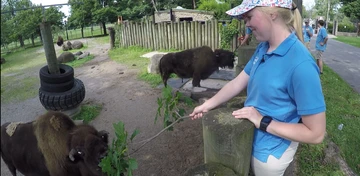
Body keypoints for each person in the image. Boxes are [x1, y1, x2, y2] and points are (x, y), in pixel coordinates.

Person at [189, 0, 326, 175]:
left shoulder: (302, 65)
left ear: (273, 13)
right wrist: (208, 104)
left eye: (249, 17)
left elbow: (315, 134)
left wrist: (262, 121)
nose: (246, 24)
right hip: (248, 138)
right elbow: (238, 82)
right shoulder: (264, 48)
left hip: (269, 154)